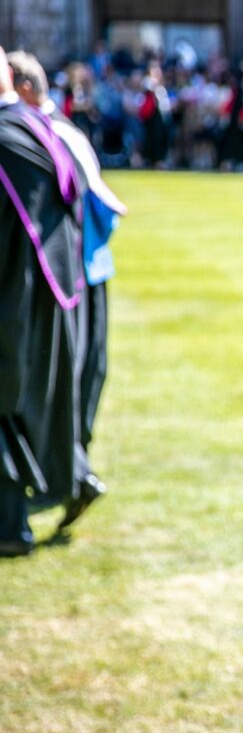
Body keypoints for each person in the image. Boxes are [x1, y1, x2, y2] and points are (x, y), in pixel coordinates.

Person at [9, 50, 120, 529]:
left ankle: (70, 476)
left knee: (59, 385)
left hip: (72, 280)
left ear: (27, 90)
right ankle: (69, 476)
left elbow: (102, 206)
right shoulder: (44, 132)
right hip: (71, 276)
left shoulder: (53, 134)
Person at [0, 47, 87, 555]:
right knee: (42, 395)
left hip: (16, 286)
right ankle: (75, 476)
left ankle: (12, 526)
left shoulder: (8, 135)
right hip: (57, 277)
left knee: (9, 402)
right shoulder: (42, 128)